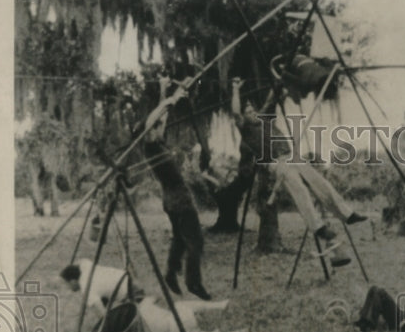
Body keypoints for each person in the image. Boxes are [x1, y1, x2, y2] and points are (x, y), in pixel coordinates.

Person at [222, 78, 366, 266]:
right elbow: (235, 112)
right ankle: (320, 229)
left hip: (292, 155)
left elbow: (271, 98)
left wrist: (280, 79)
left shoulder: (264, 118)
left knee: (320, 183)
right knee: (300, 191)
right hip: (276, 163)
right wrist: (235, 90)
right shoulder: (246, 129)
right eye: (247, 112)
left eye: (252, 110)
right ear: (244, 117)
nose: (251, 113)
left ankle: (347, 214)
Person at [142, 76, 212, 300]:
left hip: (171, 200)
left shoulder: (157, 143)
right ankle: (193, 283)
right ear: (149, 133)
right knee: (196, 242)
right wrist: (173, 97)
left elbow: (161, 117)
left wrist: (164, 90)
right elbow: (153, 119)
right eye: (156, 128)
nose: (161, 128)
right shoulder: (150, 144)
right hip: (179, 200)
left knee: (180, 239)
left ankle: (171, 273)